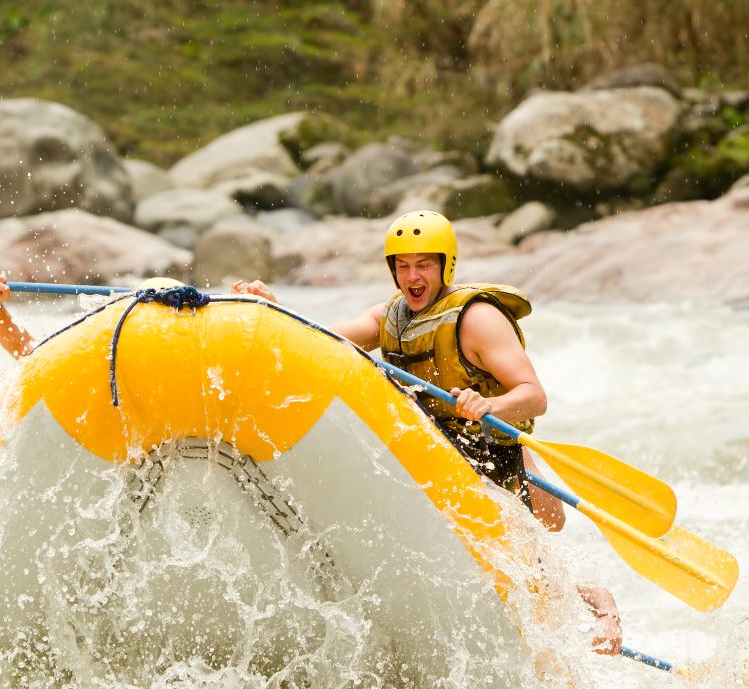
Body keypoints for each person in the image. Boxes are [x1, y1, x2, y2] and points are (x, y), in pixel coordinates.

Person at [233, 210, 622, 655]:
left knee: (541, 573)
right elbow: (320, 340)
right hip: (438, 453)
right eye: (402, 266)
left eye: (423, 265)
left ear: (445, 265)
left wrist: (489, 404)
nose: (412, 277)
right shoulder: (390, 317)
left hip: (492, 459)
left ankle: (602, 605)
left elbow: (534, 396)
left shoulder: (477, 319)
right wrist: (271, 307)